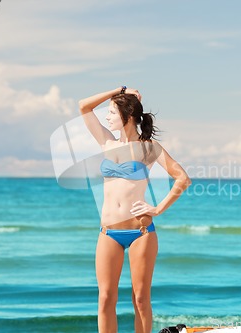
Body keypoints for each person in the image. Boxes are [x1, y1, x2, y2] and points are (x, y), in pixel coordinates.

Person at [78, 86, 191, 333]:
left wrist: (159, 208)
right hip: (108, 233)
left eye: (111, 112)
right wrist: (117, 91)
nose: (106, 116)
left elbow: (182, 178)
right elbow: (83, 106)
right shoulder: (106, 142)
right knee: (106, 298)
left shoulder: (149, 148)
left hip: (141, 231)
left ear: (126, 116)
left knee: (140, 300)